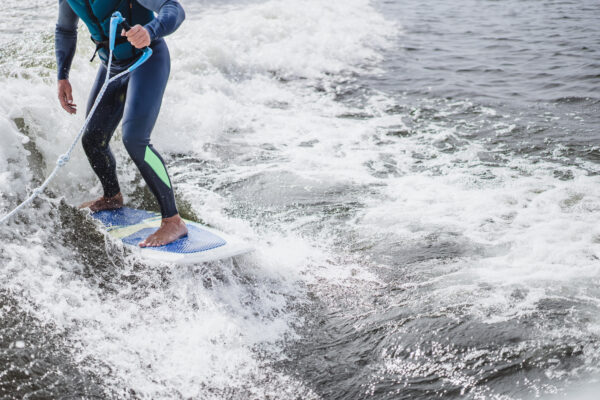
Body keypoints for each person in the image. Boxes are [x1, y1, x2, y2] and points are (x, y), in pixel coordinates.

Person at [55, 0, 187, 247]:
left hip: (148, 59)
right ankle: (112, 196)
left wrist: (151, 30)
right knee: (93, 139)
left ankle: (173, 221)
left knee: (135, 140)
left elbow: (174, 8)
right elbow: (65, 29)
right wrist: (62, 76)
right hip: (112, 66)